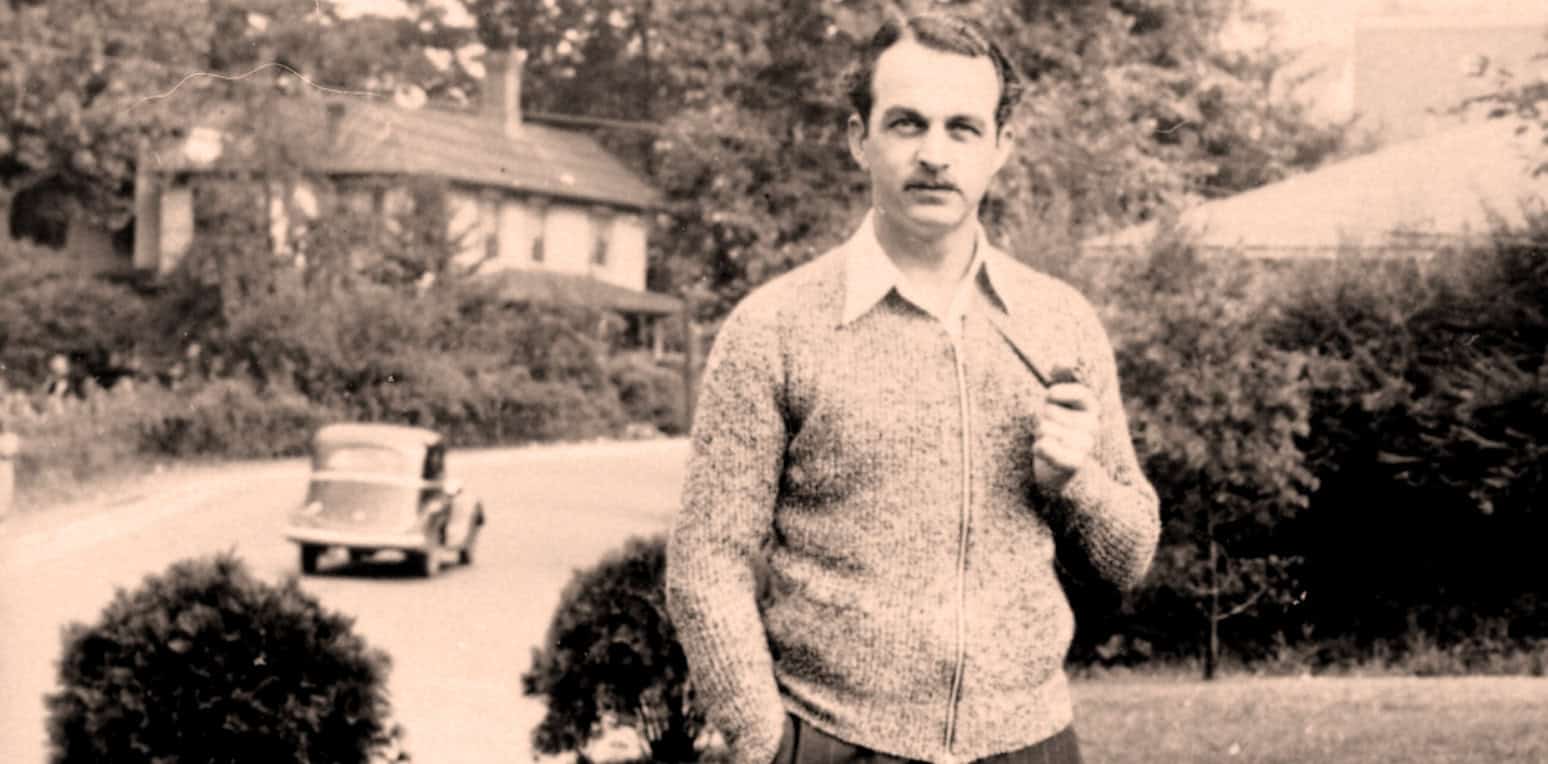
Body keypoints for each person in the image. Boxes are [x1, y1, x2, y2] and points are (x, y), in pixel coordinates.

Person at [665, 11, 1161, 764]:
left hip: (1029, 744)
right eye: (906, 124)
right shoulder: (774, 327)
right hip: (838, 743)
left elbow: (1130, 555)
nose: (935, 154)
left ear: (1001, 148)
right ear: (858, 138)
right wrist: (764, 739)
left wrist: (1075, 481)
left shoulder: (1060, 322)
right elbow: (707, 560)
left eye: (963, 128)